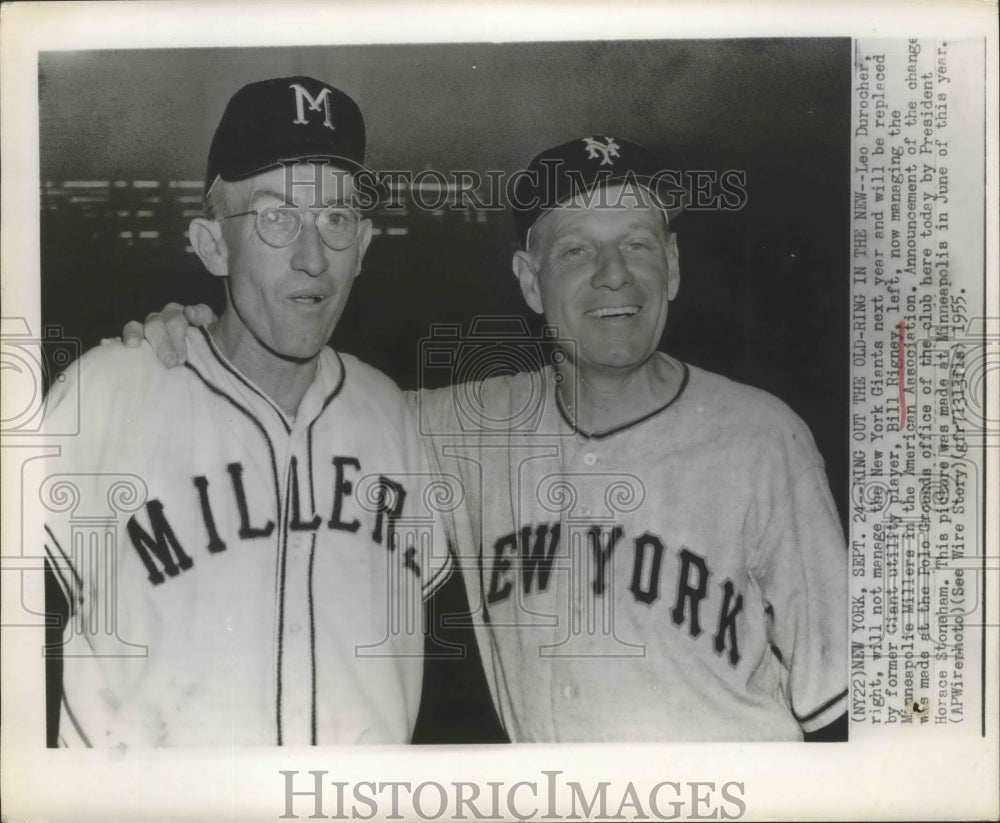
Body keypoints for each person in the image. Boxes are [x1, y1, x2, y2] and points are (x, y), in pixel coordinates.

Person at [126, 136, 847, 742]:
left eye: (637, 243)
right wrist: (198, 336)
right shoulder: (456, 429)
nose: (614, 275)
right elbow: (300, 400)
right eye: (576, 251)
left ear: (674, 266)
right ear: (530, 283)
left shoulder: (763, 436)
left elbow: (850, 710)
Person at [41, 76, 452, 748]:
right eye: (275, 217)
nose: (312, 258)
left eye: (335, 219)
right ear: (212, 245)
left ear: (363, 248)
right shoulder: (107, 394)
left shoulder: (392, 414)